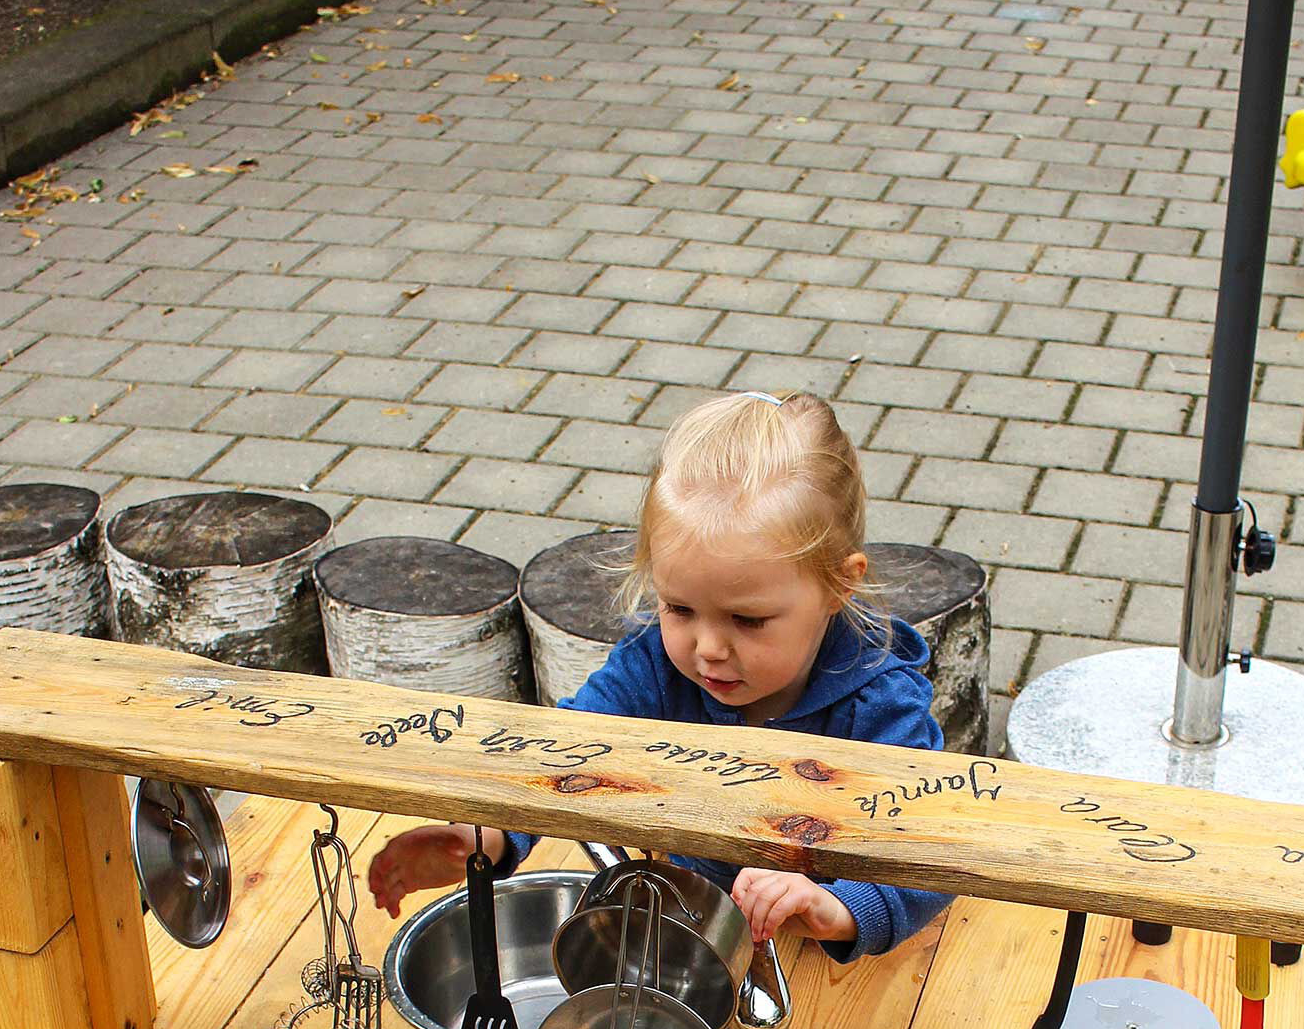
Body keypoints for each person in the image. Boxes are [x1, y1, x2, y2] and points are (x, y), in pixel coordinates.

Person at [368, 390, 950, 959]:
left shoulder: (881, 703)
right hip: (703, 924)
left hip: (835, 951)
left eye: (747, 620)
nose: (708, 649)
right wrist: (492, 835)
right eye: (680, 609)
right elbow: (567, 750)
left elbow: (937, 850)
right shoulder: (653, 665)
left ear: (839, 585)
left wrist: (844, 909)